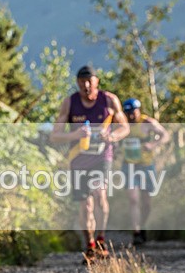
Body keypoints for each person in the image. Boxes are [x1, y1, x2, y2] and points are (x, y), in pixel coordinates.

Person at [50, 65, 129, 262]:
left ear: (97, 82)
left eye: (89, 82)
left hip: (102, 157)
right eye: (81, 82)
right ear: (77, 83)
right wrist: (74, 134)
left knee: (100, 194)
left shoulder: (109, 100)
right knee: (85, 205)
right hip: (78, 159)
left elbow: (125, 128)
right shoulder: (69, 103)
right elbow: (55, 135)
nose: (85, 86)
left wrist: (111, 136)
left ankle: (101, 240)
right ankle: (90, 245)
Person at [121, 98, 170, 245]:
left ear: (139, 110)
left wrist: (153, 144)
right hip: (129, 165)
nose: (131, 116)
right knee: (133, 198)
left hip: (146, 165)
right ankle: (136, 232)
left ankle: (142, 227)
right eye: (128, 113)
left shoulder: (148, 123)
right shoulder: (122, 124)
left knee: (146, 202)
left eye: (133, 112)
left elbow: (165, 135)